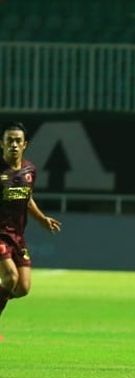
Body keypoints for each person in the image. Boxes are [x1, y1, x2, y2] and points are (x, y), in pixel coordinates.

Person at [0, 122, 61, 318]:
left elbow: (27, 198)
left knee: (22, 288)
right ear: (1, 144)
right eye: (10, 141)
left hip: (17, 236)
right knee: (10, 278)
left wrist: (42, 219)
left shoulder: (30, 170)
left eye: (18, 141)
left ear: (25, 144)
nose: (14, 145)